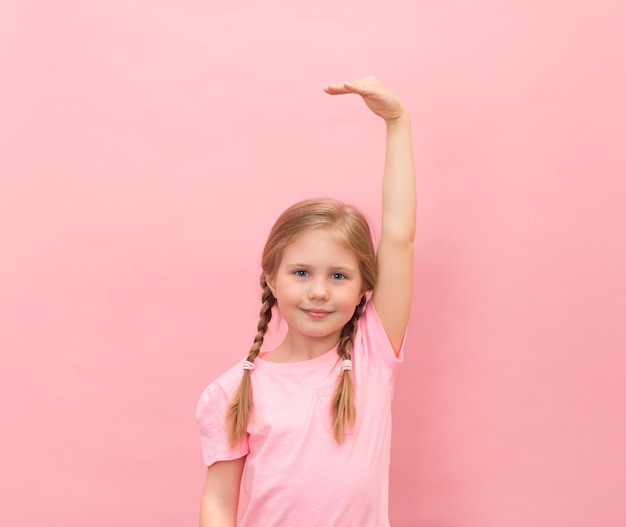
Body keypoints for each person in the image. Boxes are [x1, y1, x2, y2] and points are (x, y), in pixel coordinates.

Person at [196, 77, 416, 527]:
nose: (319, 291)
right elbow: (219, 503)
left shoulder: (371, 352)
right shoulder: (233, 392)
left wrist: (397, 123)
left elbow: (398, 236)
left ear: (362, 288)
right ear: (272, 279)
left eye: (338, 276)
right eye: (301, 273)